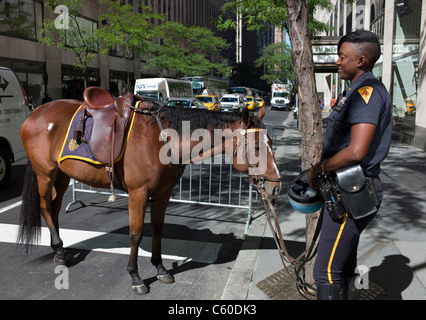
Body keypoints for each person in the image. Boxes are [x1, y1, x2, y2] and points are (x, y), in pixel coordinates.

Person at [307, 30, 392, 300]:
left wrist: (318, 169)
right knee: (344, 268)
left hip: (353, 192)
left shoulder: (367, 92)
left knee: (325, 272)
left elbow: (355, 151)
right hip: (346, 188)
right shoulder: (356, 89)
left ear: (362, 61)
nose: (338, 61)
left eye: (343, 56)